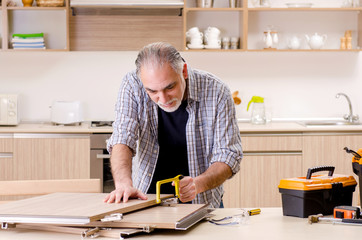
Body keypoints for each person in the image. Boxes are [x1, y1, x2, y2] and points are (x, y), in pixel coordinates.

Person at [104, 42, 242, 208]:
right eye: (152, 91)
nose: (163, 99)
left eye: (170, 87)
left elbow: (228, 155)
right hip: (145, 198)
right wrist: (123, 184)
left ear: (183, 71)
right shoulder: (132, 84)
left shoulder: (216, 91)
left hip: (202, 201)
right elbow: (123, 138)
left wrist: (198, 184)